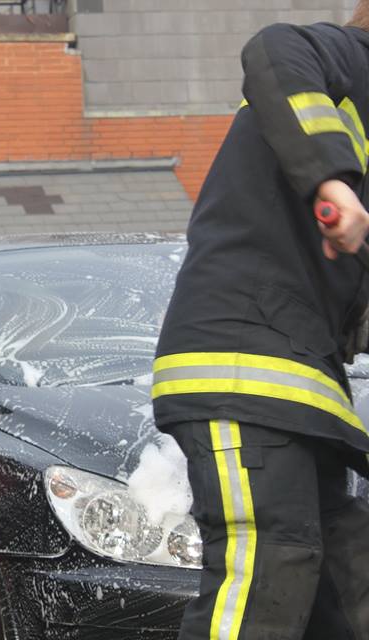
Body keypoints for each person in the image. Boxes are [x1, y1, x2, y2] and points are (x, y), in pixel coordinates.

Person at [152, 8, 369, 639]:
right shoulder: (348, 61)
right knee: (269, 563)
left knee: (347, 579)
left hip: (306, 390)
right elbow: (273, 49)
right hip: (242, 366)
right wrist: (333, 181)